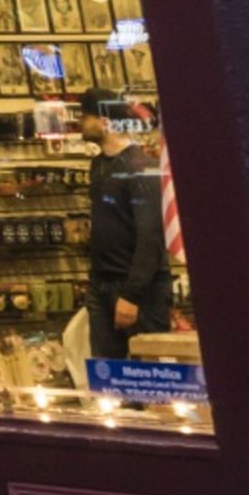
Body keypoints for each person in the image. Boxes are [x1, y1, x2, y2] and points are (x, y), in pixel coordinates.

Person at [85, 96, 175, 362]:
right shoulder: (99, 165)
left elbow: (151, 237)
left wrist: (131, 294)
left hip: (137, 290)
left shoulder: (139, 169)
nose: (80, 123)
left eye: (85, 117)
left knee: (150, 380)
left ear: (104, 122)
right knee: (108, 382)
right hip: (102, 283)